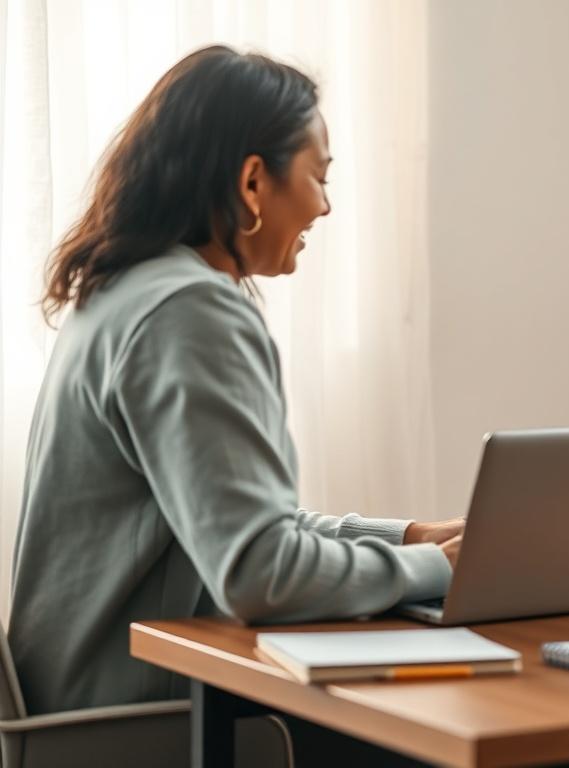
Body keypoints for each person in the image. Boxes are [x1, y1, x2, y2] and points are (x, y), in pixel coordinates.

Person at [8, 45, 463, 719]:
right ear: (253, 183)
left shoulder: (126, 292)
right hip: (134, 721)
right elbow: (263, 574)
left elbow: (247, 534)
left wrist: (409, 537)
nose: (326, 207)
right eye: (320, 177)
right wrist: (451, 572)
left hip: (80, 703)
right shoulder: (188, 310)